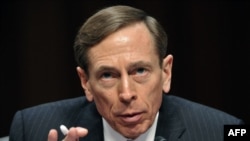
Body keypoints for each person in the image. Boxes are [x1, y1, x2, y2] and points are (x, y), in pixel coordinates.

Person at [9, 5, 243, 141]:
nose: (127, 93)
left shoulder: (225, 130)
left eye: (140, 70)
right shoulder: (31, 129)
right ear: (86, 82)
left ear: (166, 72)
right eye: (108, 75)